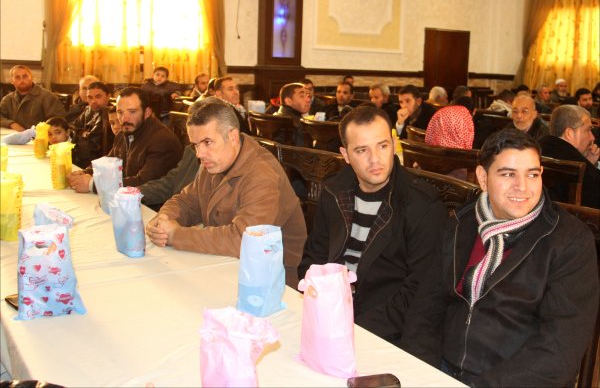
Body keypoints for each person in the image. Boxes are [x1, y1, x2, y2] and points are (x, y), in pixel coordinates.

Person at [400, 128, 599, 387]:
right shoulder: (461, 224)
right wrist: (420, 372)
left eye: (532, 174)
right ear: (483, 178)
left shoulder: (569, 242)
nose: (522, 187)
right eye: (508, 174)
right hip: (441, 371)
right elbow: (425, 310)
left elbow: (559, 351)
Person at [298, 106, 447, 344]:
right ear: (346, 155)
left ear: (394, 144)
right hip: (329, 314)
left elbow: (420, 294)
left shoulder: (421, 206)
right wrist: (319, 302)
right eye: (361, 150)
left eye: (382, 146)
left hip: (383, 330)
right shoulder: (334, 191)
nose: (375, 159)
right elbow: (314, 257)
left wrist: (354, 328)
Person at [145, 102, 307, 286]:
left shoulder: (263, 175)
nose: (199, 154)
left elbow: (243, 241)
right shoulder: (215, 161)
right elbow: (187, 201)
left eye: (207, 142)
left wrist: (176, 235)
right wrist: (163, 220)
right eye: (195, 145)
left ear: (232, 137)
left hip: (272, 279)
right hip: (226, 263)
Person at [67, 87, 183, 193]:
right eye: (120, 112)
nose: (124, 119)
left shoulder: (162, 141)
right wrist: (85, 173)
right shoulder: (126, 131)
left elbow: (143, 183)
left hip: (151, 206)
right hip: (123, 200)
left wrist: (93, 184)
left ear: (147, 113)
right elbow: (109, 161)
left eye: (132, 112)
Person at [139, 98, 222, 209]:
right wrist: (135, 192)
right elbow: (171, 182)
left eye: (207, 141)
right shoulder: (191, 150)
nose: (199, 153)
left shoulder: (229, 164)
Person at [539, 105, 600, 208]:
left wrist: (588, 163)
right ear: (569, 134)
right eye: (588, 130)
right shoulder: (583, 170)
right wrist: (590, 168)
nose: (592, 137)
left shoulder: (537, 150)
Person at [1, 65, 66, 131]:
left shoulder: (47, 97)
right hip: (14, 135)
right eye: (17, 77)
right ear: (11, 81)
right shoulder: (8, 99)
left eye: (25, 76)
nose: (22, 80)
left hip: (39, 136)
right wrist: (12, 124)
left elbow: (58, 122)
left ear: (31, 77)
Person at [71, 81, 114, 168]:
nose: (93, 101)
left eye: (98, 97)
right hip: (85, 155)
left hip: (102, 159)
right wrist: (83, 133)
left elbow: (93, 141)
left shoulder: (111, 113)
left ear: (108, 96)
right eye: (90, 97)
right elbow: (73, 127)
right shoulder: (89, 110)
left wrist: (82, 133)